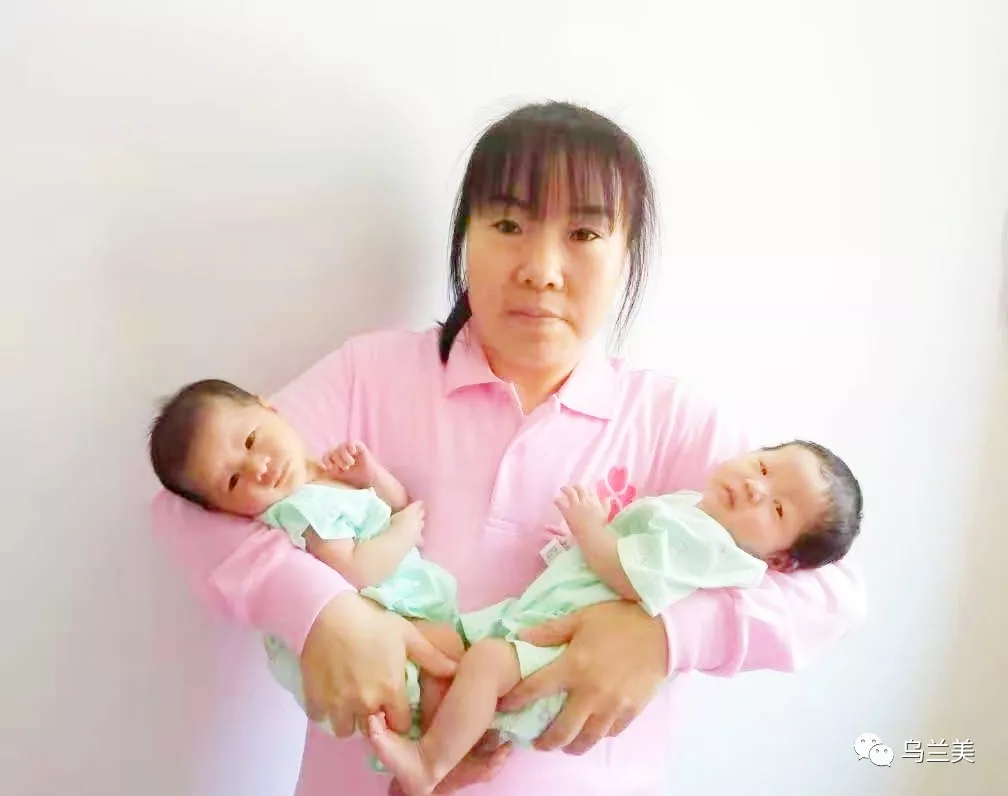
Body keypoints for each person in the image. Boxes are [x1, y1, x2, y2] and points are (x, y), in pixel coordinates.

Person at [150, 100, 867, 796]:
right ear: (466, 235)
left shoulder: (671, 421)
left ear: (627, 253)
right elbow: (187, 505)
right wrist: (319, 610)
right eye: (508, 224)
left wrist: (664, 637)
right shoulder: (369, 376)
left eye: (583, 233)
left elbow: (831, 590)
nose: (541, 269)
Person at [366, 440, 863, 795]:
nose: (756, 487)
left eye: (778, 509)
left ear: (780, 560)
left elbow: (628, 576)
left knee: (484, 664)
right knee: (440, 649)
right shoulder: (695, 512)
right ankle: (445, 761)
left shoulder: (711, 545)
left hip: (564, 662)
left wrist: (590, 528)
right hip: (534, 627)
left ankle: (430, 764)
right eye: (764, 466)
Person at [146, 379, 463, 773]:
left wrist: (373, 476)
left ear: (269, 408)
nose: (259, 468)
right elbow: (354, 571)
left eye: (250, 441)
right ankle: (433, 758)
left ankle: (438, 756)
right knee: (450, 658)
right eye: (233, 481)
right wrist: (403, 532)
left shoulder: (324, 478)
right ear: (223, 510)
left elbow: (394, 505)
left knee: (461, 677)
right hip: (387, 626)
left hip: (398, 619)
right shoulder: (303, 510)